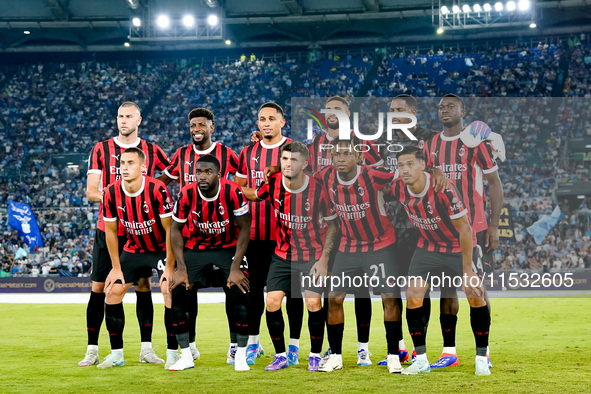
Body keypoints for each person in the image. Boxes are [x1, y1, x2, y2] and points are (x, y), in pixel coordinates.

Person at [79, 102, 170, 367]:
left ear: (139, 120)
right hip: (108, 228)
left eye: (129, 116)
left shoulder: (152, 150)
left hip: (141, 232)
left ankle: (146, 349)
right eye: (120, 116)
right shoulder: (101, 149)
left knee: (143, 287)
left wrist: (146, 194)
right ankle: (93, 349)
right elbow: (91, 191)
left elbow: (171, 173)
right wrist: (118, 197)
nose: (123, 120)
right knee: (99, 288)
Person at [389, 147, 490, 376]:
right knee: (413, 295)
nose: (405, 169)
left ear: (423, 165)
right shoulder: (397, 188)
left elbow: (465, 228)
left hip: (459, 246)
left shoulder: (443, 189)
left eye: (410, 164)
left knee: (474, 295)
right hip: (428, 247)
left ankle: (482, 357)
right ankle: (421, 359)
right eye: (401, 165)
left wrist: (467, 271)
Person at [242, 142, 338, 371]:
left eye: (293, 159)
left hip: (312, 257)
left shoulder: (318, 188)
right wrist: (227, 186)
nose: (287, 163)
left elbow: (333, 226)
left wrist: (324, 259)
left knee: (313, 302)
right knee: (272, 302)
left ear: (305, 164)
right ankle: (281, 355)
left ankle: (315, 355)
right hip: (282, 255)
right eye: (284, 159)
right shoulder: (273, 183)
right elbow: (255, 196)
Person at [422, 94, 503, 369]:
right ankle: (449, 351)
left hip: (474, 229)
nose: (444, 110)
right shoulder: (430, 145)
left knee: (476, 291)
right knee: (446, 291)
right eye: (441, 107)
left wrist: (493, 225)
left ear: (462, 110)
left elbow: (494, 183)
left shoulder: (476, 144)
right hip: (441, 232)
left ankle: (485, 352)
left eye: (450, 106)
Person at [159, 107, 240, 364]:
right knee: (185, 289)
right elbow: (162, 182)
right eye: (193, 124)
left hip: (224, 235)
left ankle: (235, 346)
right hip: (190, 236)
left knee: (234, 290)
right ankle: (190, 346)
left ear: (212, 127)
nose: (197, 129)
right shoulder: (181, 154)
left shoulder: (227, 154)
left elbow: (241, 184)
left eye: (202, 124)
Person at [317, 135, 403, 374]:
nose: (341, 158)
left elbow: (405, 176)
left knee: (389, 297)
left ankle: (394, 355)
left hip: (380, 245)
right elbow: (302, 180)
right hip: (348, 246)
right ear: (331, 157)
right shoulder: (325, 176)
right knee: (333, 298)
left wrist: (434, 171)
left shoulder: (372, 175)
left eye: (347, 153)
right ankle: (335, 356)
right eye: (337, 154)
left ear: (357, 156)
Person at [166, 155, 251, 372]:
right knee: (176, 292)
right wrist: (181, 268)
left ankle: (239, 354)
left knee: (240, 292)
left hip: (227, 248)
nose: (202, 176)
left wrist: (235, 268)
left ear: (218, 174)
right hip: (197, 249)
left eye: (208, 172)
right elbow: (175, 228)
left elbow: (245, 228)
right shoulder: (187, 193)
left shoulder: (232, 191)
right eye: (199, 172)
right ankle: (186, 356)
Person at [234, 102, 303, 365]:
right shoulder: (248, 151)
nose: (265, 123)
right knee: (253, 293)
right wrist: (260, 191)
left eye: (271, 119)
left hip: (287, 237)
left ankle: (294, 346)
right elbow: (238, 187)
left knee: (293, 295)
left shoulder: (294, 150)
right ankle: (254, 343)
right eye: (262, 119)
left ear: (282, 122)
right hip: (255, 235)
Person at [97, 148, 174, 369]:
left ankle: (171, 353)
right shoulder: (111, 192)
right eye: (122, 162)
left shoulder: (157, 189)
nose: (124, 167)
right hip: (133, 248)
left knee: (168, 290)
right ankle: (116, 354)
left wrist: (169, 266)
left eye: (131, 162)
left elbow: (170, 230)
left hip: (159, 249)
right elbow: (110, 231)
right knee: (112, 292)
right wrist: (116, 268)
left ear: (143, 167)